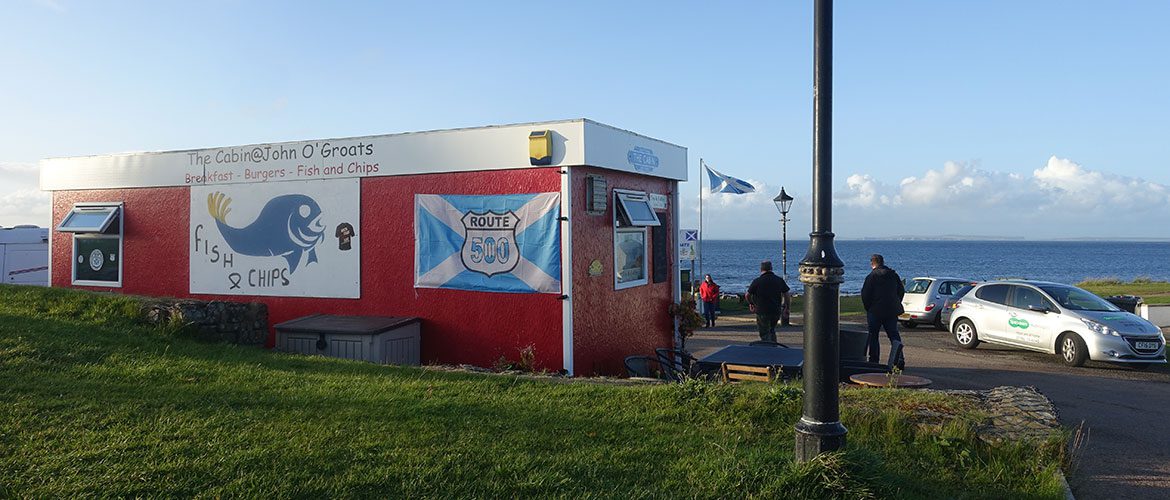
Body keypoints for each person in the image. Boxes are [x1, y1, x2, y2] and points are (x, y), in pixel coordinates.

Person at [861, 254, 906, 367]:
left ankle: (874, 360)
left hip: (875, 310)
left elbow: (865, 294)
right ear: (882, 262)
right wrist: (896, 302)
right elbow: (901, 291)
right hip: (891, 310)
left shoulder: (871, 277)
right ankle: (899, 359)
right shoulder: (893, 275)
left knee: (873, 335)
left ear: (872, 264)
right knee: (893, 334)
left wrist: (869, 307)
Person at [745, 260, 791, 343]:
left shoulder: (757, 281)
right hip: (776, 310)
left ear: (761, 269)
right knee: (772, 330)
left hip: (762, 310)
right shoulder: (779, 280)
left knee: (764, 332)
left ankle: (768, 349)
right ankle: (774, 347)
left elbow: (747, 295)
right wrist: (787, 307)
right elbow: (787, 294)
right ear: (771, 268)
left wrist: (751, 303)